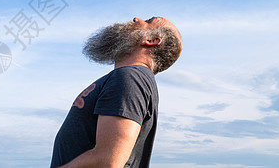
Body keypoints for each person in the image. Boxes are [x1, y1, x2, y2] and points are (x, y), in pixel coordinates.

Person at [50, 17, 183, 168]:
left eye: (148, 21)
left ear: (152, 40)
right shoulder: (129, 77)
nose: (136, 18)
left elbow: (108, 161)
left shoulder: (131, 77)